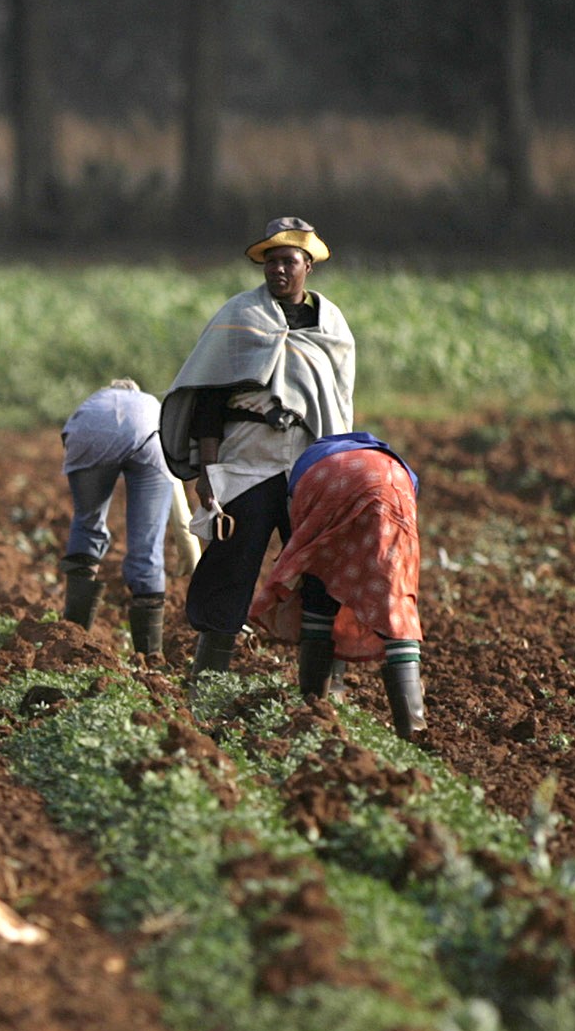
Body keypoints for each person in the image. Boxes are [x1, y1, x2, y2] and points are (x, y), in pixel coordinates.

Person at [158, 216, 356, 672]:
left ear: (309, 266)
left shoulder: (331, 327)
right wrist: (208, 470)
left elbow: (338, 403)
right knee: (230, 565)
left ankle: (324, 689)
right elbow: (208, 396)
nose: (278, 270)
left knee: (320, 572)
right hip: (246, 462)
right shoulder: (239, 316)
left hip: (309, 467)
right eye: (271, 261)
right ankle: (209, 678)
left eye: (289, 261)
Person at [247, 432, 425, 739]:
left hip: (325, 484)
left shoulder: (313, 461)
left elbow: (301, 538)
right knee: (395, 598)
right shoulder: (389, 459)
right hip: (395, 485)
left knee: (319, 580)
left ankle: (313, 707)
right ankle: (414, 728)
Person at [56, 379, 198, 656]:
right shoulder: (151, 406)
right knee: (146, 548)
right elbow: (178, 504)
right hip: (147, 440)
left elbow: (69, 435)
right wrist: (190, 549)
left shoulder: (95, 402)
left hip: (88, 436)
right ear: (136, 390)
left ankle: (73, 635)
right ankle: (149, 655)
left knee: (87, 522)